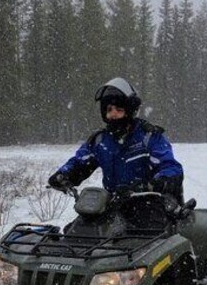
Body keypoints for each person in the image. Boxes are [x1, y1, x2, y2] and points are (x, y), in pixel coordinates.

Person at [48, 77, 184, 204]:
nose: (113, 114)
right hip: (112, 207)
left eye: (119, 109)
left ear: (129, 110)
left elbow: (170, 167)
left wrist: (155, 184)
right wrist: (64, 174)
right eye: (109, 109)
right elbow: (80, 163)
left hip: (150, 205)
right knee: (76, 229)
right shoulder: (99, 141)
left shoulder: (148, 137)